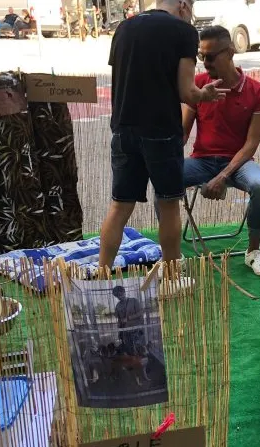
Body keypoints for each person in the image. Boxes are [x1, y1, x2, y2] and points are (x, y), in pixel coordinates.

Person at [98, 0, 228, 287]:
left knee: (119, 207)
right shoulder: (183, 31)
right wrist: (204, 95)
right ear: (183, 4)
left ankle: (101, 277)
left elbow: (119, 81)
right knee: (169, 205)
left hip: (123, 128)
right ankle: (171, 278)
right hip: (160, 131)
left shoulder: (124, 28)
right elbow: (187, 92)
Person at [181, 26, 260, 277]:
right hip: (201, 160)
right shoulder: (198, 85)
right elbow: (182, 133)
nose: (205, 62)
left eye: (211, 56)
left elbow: (251, 145)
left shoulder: (258, 92)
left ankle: (254, 251)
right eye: (202, 56)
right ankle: (173, 255)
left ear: (231, 52)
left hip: (239, 162)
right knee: (163, 178)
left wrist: (223, 176)